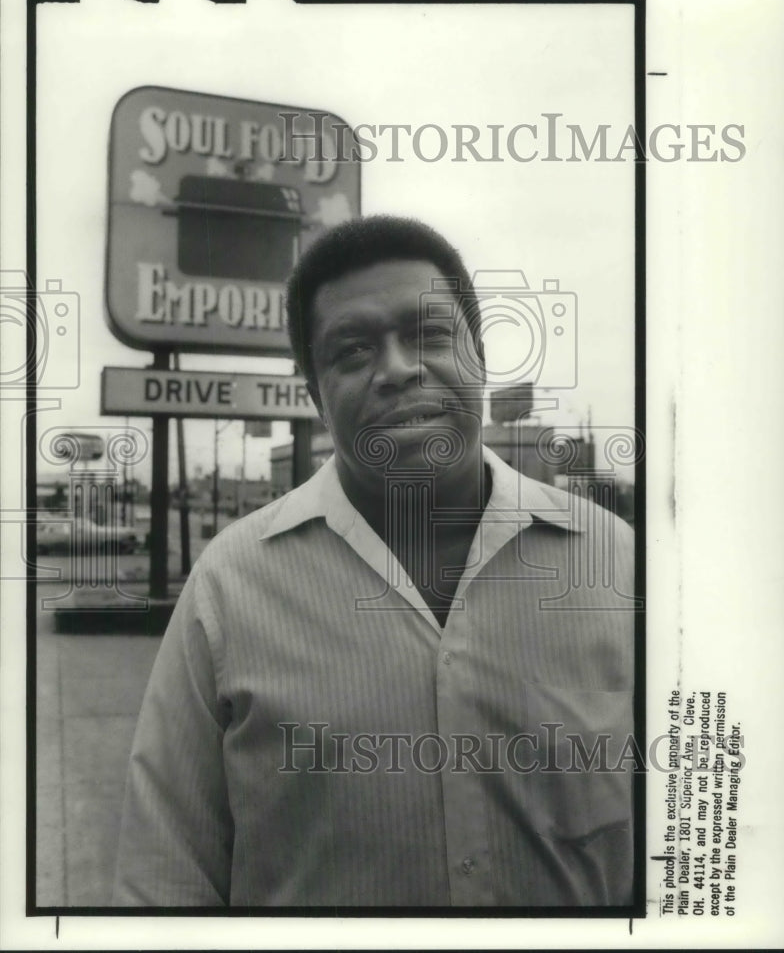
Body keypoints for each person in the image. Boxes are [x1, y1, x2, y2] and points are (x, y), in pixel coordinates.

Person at [114, 215, 636, 908]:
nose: (397, 369)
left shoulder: (619, 565)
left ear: (479, 356)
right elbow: (163, 886)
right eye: (353, 351)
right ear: (315, 396)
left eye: (428, 335)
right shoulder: (229, 588)